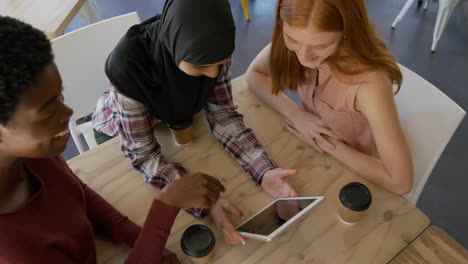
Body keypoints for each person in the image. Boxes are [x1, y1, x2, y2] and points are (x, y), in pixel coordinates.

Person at [0, 15, 227, 263]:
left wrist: (143, 240)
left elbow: (74, 193)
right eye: (47, 113)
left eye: (60, 97)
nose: (67, 114)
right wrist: (166, 206)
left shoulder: (36, 154)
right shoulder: (14, 252)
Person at [92, 0, 299, 244]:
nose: (213, 73)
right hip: (119, 127)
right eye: (201, 65)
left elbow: (223, 115)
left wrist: (263, 169)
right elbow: (144, 155)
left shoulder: (212, 47)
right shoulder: (128, 69)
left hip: (179, 115)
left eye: (219, 63)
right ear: (175, 45)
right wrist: (199, 200)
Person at [246, 0, 413, 195]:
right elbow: (254, 74)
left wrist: (325, 142)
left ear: (346, 33)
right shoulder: (302, 32)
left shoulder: (369, 85)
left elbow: (401, 182)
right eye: (293, 40)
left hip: (359, 170)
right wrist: (296, 114)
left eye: (320, 45)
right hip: (315, 154)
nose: (303, 57)